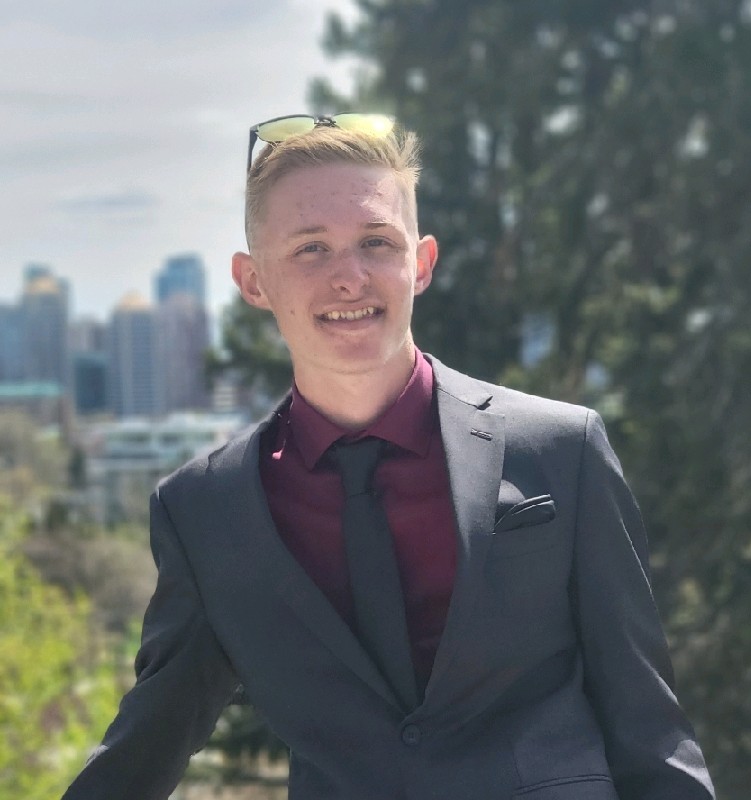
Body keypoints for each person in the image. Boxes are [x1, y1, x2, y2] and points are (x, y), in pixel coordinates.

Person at [63, 114, 715, 800]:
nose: (349, 277)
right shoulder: (205, 512)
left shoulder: (562, 450)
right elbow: (146, 744)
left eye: (376, 242)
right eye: (311, 248)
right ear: (253, 281)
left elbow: (652, 735)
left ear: (421, 263)